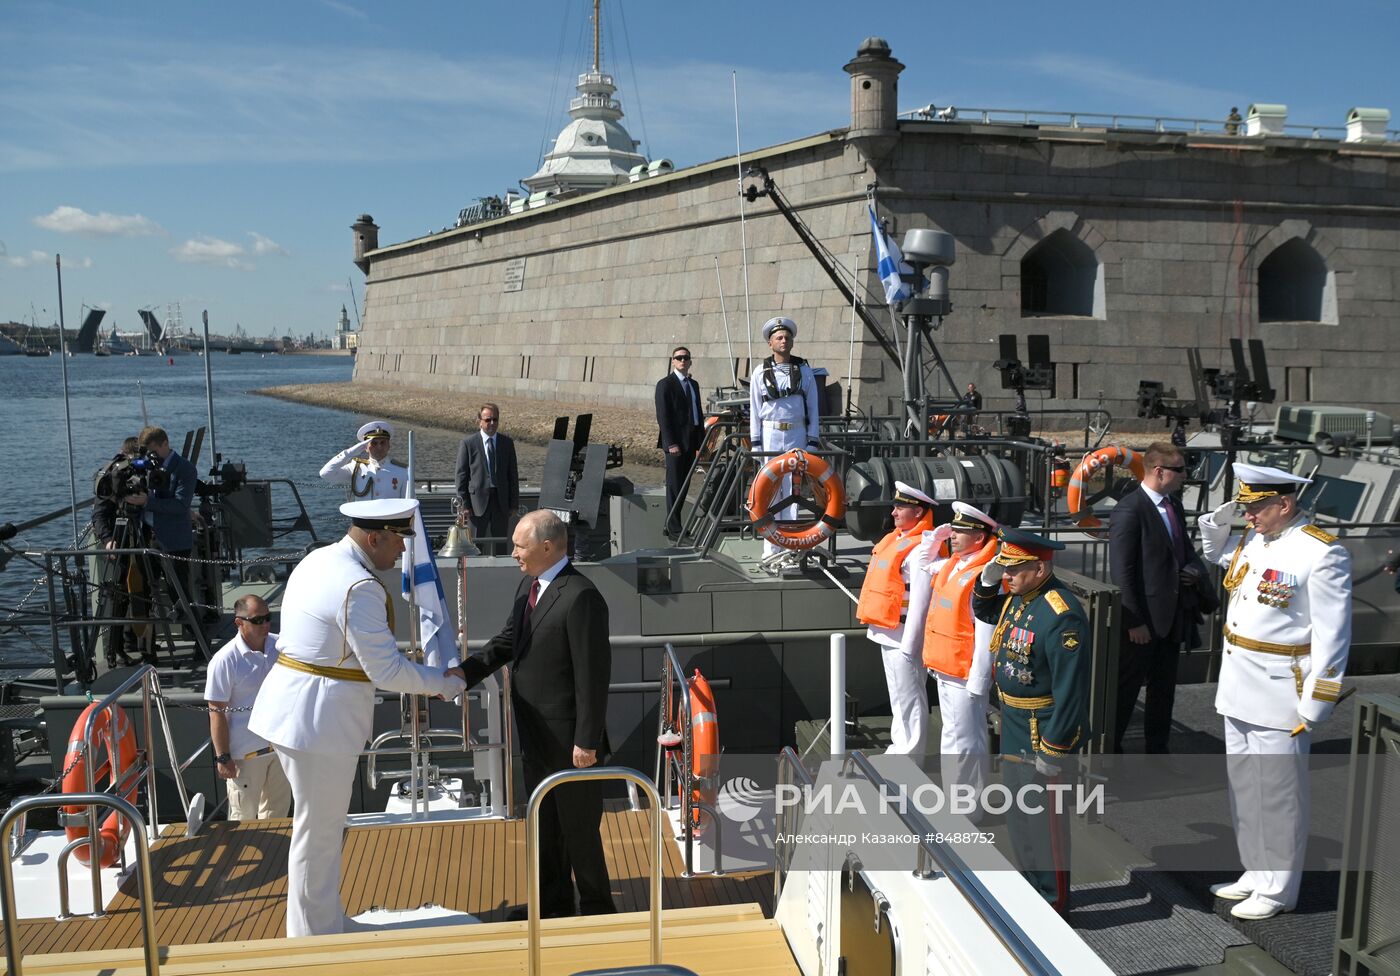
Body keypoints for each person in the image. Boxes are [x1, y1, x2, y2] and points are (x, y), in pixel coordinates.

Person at [247, 498, 467, 937]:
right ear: (374, 537)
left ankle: (320, 924)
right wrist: (445, 682)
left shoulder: (318, 559)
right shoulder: (359, 586)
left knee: (318, 829)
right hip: (319, 725)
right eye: (399, 540)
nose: (403, 552)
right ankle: (314, 938)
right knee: (320, 832)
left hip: (297, 713)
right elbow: (385, 670)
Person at [1197, 462, 1351, 921]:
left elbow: (1333, 634)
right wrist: (1219, 517)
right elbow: (1215, 551)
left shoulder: (1320, 552)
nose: (1249, 517)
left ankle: (1280, 888)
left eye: (1256, 508)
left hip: (1282, 688)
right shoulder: (1257, 540)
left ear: (1284, 505)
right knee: (1245, 787)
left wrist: (1318, 702)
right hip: (1239, 682)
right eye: (1245, 509)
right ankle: (1255, 871)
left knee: (1279, 794)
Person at [461, 510, 615, 918]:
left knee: (579, 831)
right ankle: (553, 906)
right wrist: (464, 674)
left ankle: (600, 912)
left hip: (571, 743)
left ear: (547, 547)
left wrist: (587, 740)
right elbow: (509, 641)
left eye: (519, 545)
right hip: (536, 737)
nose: (513, 553)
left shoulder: (581, 596)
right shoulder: (530, 587)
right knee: (545, 824)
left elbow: (592, 676)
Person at [972, 527, 1090, 916]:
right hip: (1014, 722)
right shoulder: (1021, 599)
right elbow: (985, 609)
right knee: (1018, 816)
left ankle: (1054, 903)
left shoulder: (1061, 614)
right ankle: (1029, 889)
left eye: (1013, 569)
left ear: (1039, 568)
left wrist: (1054, 749)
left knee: (1045, 824)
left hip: (1042, 729)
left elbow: (1071, 690)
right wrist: (987, 582)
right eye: (1003, 569)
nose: (1006, 576)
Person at [1109, 441, 1214, 753]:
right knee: (1126, 692)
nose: (1185, 475)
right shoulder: (1130, 510)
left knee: (1164, 690)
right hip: (1142, 624)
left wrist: (1195, 572)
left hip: (1171, 618)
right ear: (1159, 471)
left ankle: (1158, 751)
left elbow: (1183, 552)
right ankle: (1110, 755)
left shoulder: (1173, 506)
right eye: (1180, 470)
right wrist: (1134, 621)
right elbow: (1122, 572)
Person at [921, 501, 999, 797]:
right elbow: (923, 564)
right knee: (952, 737)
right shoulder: (956, 565)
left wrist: (980, 681)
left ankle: (967, 807)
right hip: (944, 666)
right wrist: (934, 538)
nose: (953, 536)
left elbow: (987, 631)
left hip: (964, 672)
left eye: (960, 531)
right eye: (953, 530)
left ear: (979, 538)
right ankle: (954, 798)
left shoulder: (986, 576)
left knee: (967, 740)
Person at [855, 482, 936, 755]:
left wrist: (911, 644)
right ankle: (900, 748)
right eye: (895, 506)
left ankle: (910, 755)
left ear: (918, 512)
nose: (893, 513)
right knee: (899, 697)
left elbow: (921, 601)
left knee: (910, 698)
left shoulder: (921, 550)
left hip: (904, 635)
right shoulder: (897, 540)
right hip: (887, 631)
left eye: (900, 507)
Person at [205, 595, 290, 821]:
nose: (265, 624)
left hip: (280, 748)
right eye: (257, 620)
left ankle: (277, 857)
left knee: (278, 816)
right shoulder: (224, 660)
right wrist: (223, 757)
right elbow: (216, 711)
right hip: (245, 756)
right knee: (243, 821)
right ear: (239, 623)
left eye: (268, 618)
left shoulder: (281, 646)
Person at [748, 317, 822, 561]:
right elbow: (755, 410)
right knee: (770, 490)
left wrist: (812, 440)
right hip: (770, 434)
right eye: (779, 337)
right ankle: (771, 547)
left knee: (794, 489)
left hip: (796, 434)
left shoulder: (804, 371)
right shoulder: (760, 372)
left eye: (787, 337)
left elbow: (813, 407)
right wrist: (756, 443)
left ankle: (790, 544)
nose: (784, 341)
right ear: (770, 343)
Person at [139, 425, 199, 656]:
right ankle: (147, 646)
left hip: (174, 540)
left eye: (154, 451)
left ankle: (198, 639)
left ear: (165, 444)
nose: (151, 457)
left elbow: (181, 505)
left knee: (179, 593)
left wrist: (147, 502)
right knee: (144, 592)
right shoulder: (146, 466)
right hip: (148, 537)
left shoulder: (184, 469)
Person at [92, 436, 148, 668]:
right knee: (117, 597)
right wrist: (107, 540)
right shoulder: (111, 477)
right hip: (120, 540)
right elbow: (99, 513)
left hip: (144, 538)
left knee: (146, 591)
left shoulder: (145, 470)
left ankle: (145, 645)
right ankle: (114, 652)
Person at [455, 403, 520, 556]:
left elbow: (513, 475)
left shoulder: (507, 443)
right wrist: (464, 505)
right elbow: (461, 476)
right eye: (488, 420)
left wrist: (514, 503)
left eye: (495, 420)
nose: (492, 423)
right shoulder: (468, 443)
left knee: (501, 544)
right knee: (476, 544)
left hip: (501, 502)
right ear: (479, 421)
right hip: (476, 504)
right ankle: (475, 573)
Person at [655, 346, 705, 539]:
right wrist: (670, 443)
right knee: (674, 485)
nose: (683, 361)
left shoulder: (694, 385)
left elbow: (698, 414)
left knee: (685, 484)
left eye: (686, 358)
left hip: (692, 441)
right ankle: (673, 528)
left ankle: (673, 524)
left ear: (690, 361)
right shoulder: (665, 384)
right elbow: (663, 416)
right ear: (673, 361)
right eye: (679, 358)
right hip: (675, 443)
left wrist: (702, 443)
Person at [319, 420, 408, 501]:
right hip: (362, 518)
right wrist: (349, 453)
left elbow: (409, 503)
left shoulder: (403, 471)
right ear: (365, 447)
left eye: (383, 442)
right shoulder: (356, 468)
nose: (379, 447)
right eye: (374, 443)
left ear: (389, 446)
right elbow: (325, 473)